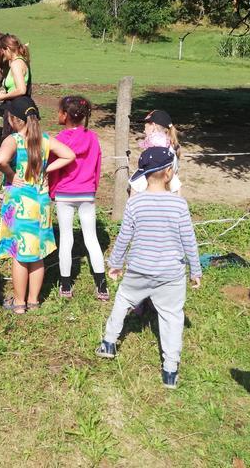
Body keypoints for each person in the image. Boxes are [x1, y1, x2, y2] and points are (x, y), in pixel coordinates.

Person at [96, 147, 202, 389]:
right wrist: (195, 270)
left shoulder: (135, 203)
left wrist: (115, 264)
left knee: (123, 300)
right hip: (171, 274)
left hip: (139, 269)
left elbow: (124, 237)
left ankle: (109, 344)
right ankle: (170, 370)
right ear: (169, 172)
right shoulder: (179, 205)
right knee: (172, 316)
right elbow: (189, 240)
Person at [0, 96, 75, 314]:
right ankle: (34, 301)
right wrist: (46, 169)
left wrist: (11, 175)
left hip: (20, 202)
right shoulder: (45, 139)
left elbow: (0, 160)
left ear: (13, 119)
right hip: (40, 203)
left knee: (20, 256)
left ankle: (19, 303)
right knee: (37, 255)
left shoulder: (13, 140)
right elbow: (69, 155)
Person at [48, 95, 107, 300]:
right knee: (91, 237)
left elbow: (53, 169)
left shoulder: (59, 140)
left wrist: (52, 191)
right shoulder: (93, 138)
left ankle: (65, 285)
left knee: (66, 238)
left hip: (64, 193)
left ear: (65, 115)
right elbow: (97, 165)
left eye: (59, 111)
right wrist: (93, 188)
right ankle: (102, 286)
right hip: (86, 192)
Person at [131, 109, 182, 194]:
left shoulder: (156, 150)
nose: (144, 131)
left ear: (153, 126)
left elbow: (135, 190)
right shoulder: (171, 146)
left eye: (145, 127)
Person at [0, 34, 32, 138]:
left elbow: (21, 90)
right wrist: (4, 91)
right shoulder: (21, 61)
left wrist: (3, 97)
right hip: (17, 106)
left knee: (11, 140)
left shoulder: (16, 64)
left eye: (3, 51)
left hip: (16, 110)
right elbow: (15, 86)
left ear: (8, 49)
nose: (3, 54)